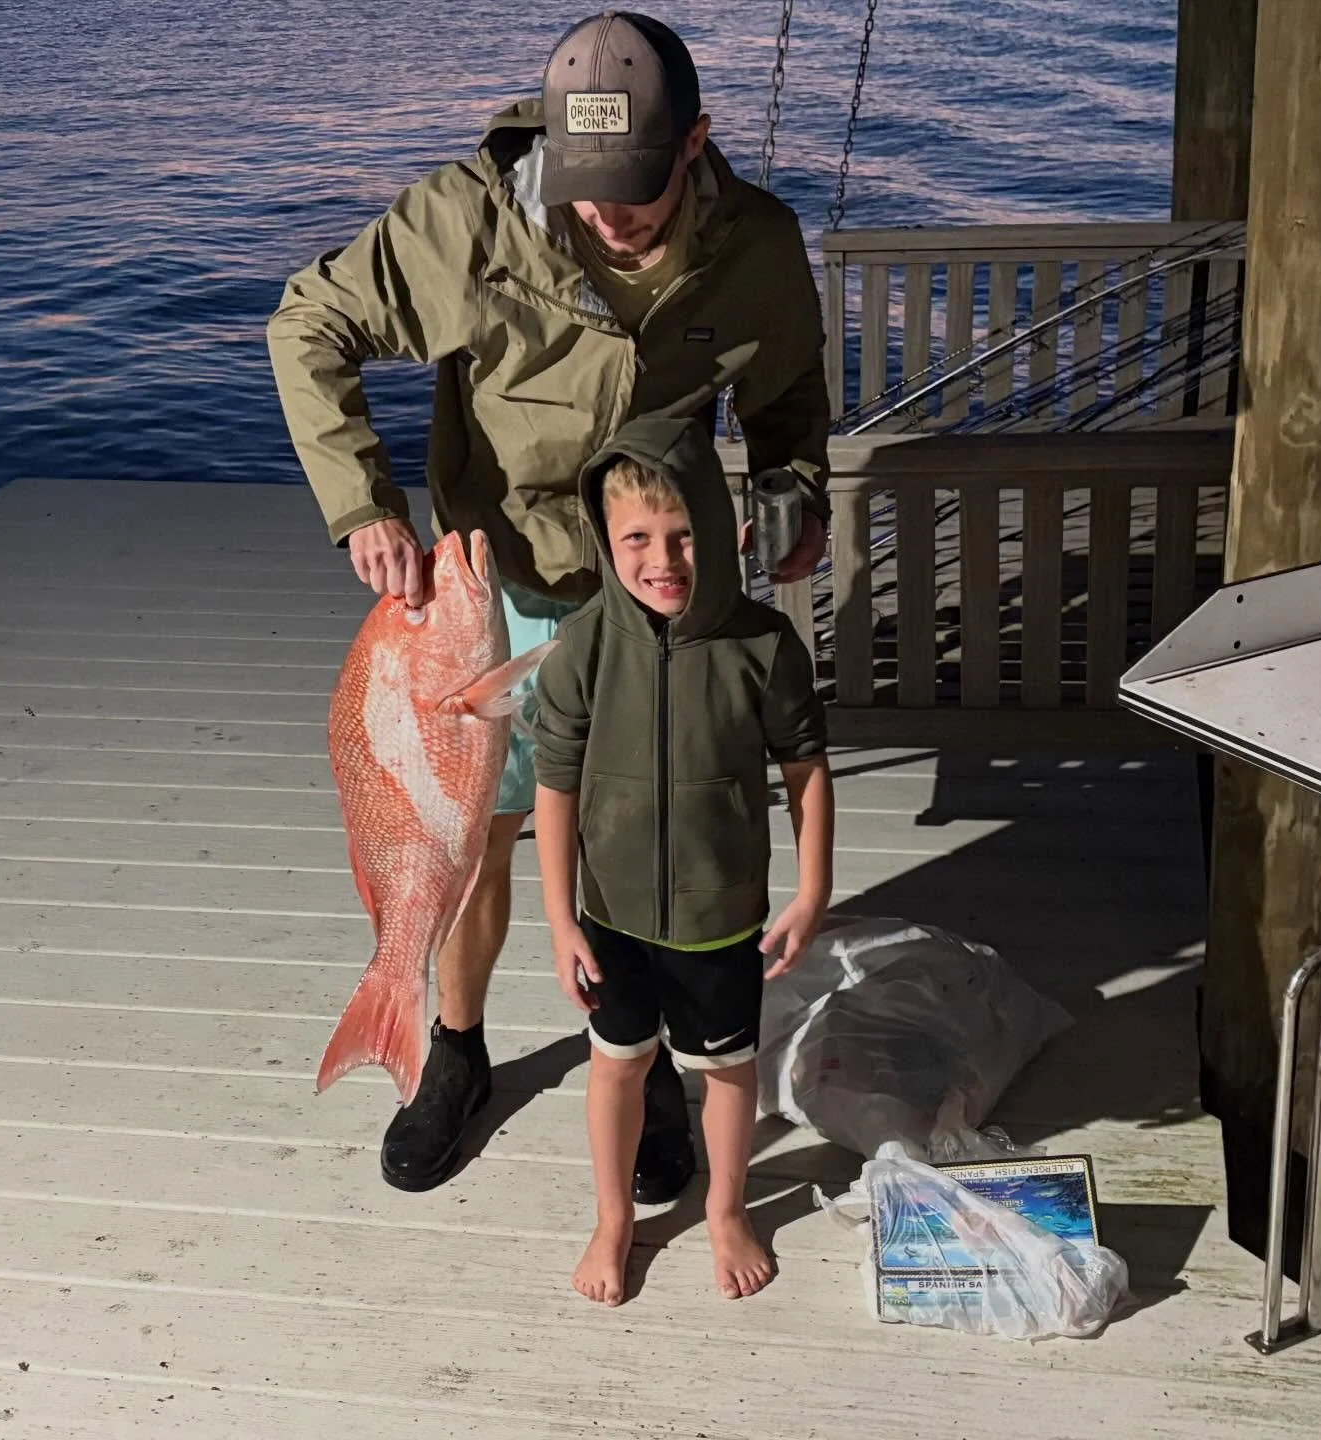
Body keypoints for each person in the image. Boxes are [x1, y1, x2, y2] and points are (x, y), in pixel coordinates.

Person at [267, 10, 831, 1198]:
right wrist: (364, 506)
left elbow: (787, 404)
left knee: (641, 840)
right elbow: (309, 323)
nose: (607, 213)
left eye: (636, 187)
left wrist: (794, 495)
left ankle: (651, 1061)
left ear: (694, 144)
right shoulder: (468, 221)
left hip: (653, 592)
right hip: (501, 582)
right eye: (586, 186)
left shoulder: (760, 246)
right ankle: (455, 1049)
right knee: (480, 837)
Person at [532, 415, 834, 1304]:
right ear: (605, 538)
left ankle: (727, 1210)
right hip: (612, 916)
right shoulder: (583, 646)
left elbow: (807, 770)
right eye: (636, 539)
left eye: (684, 535)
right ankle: (613, 1220)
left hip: (720, 915)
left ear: (723, 529)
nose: (662, 559)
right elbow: (555, 786)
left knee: (727, 1069)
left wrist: (812, 890)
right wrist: (559, 919)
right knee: (617, 1062)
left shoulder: (763, 645)